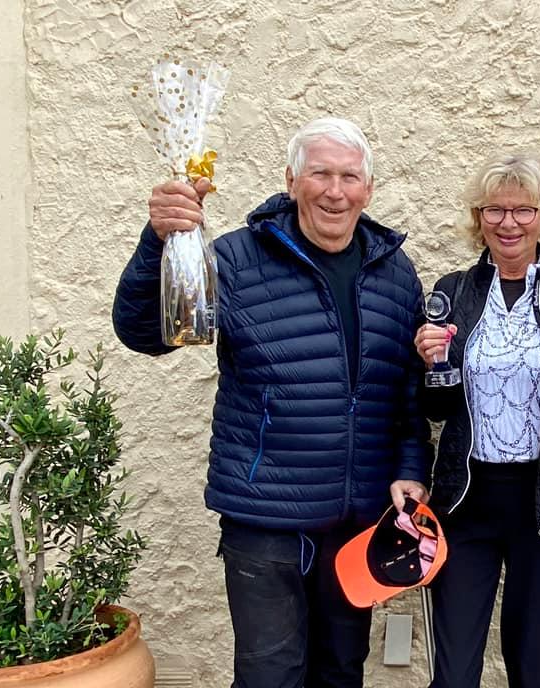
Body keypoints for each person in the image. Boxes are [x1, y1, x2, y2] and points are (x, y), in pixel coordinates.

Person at [112, 117, 432, 688]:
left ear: (368, 189)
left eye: (349, 177)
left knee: (340, 673)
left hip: (355, 522)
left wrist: (410, 468)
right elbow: (145, 332)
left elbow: (406, 390)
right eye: (320, 174)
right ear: (291, 181)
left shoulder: (395, 272)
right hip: (266, 522)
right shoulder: (236, 259)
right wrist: (158, 240)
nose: (335, 192)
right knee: (270, 676)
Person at [413, 153, 540, 688]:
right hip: (466, 503)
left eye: (524, 210)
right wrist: (431, 365)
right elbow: (435, 409)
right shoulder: (453, 291)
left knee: (535, 671)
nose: (509, 223)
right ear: (478, 218)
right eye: (495, 210)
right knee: (454, 675)